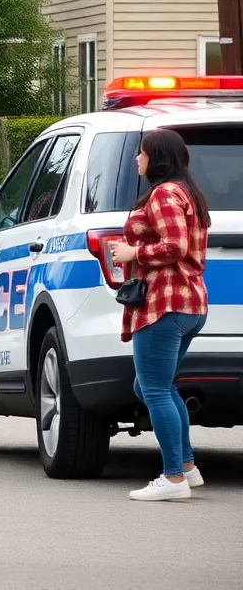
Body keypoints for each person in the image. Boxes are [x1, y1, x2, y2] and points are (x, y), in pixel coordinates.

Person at [110, 129, 210, 502]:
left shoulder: (165, 193)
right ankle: (187, 466)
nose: (137, 159)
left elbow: (175, 246)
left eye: (142, 153)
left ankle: (172, 478)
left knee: (153, 389)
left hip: (165, 301)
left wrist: (133, 253)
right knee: (155, 386)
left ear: (158, 158)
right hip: (188, 303)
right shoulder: (187, 192)